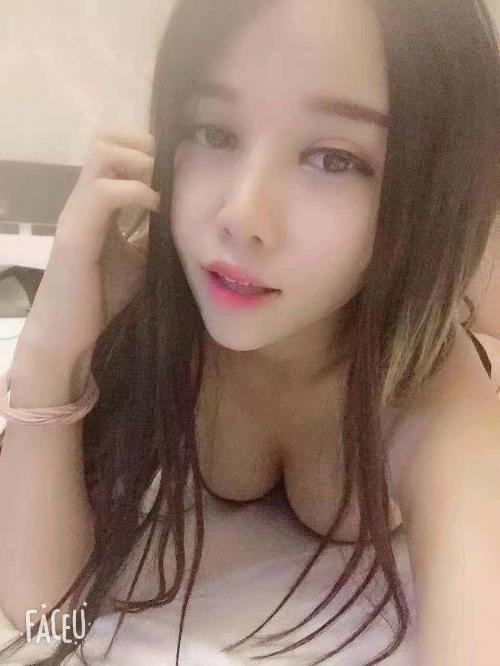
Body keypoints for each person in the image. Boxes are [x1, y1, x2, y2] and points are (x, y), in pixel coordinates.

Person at [0, 0, 499, 664]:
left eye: (334, 159)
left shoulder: (429, 392)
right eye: (213, 131)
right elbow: (45, 612)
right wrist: (51, 349)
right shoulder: (155, 309)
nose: (241, 215)